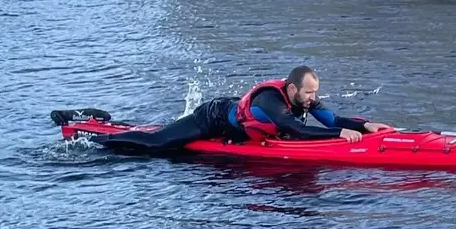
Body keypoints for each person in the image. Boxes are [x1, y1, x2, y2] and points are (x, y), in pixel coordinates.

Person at [92, 65, 391, 152]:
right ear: (292, 89)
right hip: (211, 119)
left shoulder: (305, 97)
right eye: (309, 92)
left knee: (160, 138)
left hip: (235, 126)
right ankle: (96, 138)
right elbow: (297, 130)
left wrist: (364, 126)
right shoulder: (271, 100)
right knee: (157, 143)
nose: (313, 98)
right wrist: (340, 134)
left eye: (315, 92)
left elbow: (331, 119)